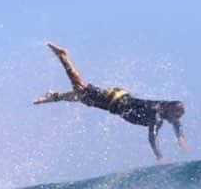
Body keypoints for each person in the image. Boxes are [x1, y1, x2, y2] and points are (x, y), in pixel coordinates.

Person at [34, 43, 187, 162]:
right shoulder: (157, 116)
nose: (174, 120)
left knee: (83, 98)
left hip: (114, 102)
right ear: (169, 111)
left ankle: (54, 97)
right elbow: (152, 138)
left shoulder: (164, 109)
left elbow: (176, 122)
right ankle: (63, 56)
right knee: (81, 88)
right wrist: (159, 156)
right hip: (114, 99)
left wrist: (180, 137)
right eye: (174, 116)